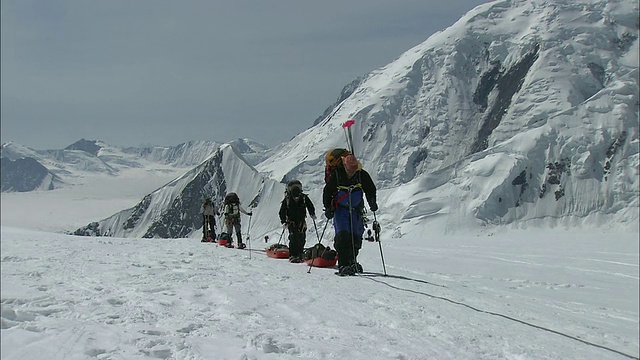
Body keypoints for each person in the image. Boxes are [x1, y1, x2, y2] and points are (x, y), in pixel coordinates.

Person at [323, 152, 377, 276]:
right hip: (340, 210)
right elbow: (327, 192)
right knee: (343, 235)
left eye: (354, 169)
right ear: (345, 166)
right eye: (350, 169)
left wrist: (372, 202)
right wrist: (328, 208)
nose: (352, 172)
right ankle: (343, 264)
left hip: (356, 209)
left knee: (356, 236)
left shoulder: (361, 175)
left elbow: (370, 189)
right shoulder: (337, 176)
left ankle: (352, 261)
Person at [279, 180, 316, 263]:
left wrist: (312, 213)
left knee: (301, 237)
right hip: (292, 222)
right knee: (294, 237)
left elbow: (310, 206)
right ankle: (293, 254)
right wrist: (284, 221)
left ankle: (299, 253)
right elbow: (282, 211)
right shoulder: (299, 198)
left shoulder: (299, 198)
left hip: (301, 221)